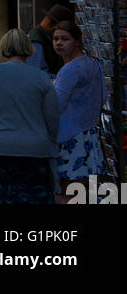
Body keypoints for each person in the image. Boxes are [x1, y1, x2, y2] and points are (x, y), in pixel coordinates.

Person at [0, 27, 60, 205]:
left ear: (3, 47)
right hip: (35, 151)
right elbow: (53, 120)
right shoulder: (42, 78)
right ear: (29, 48)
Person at [52, 19, 108, 195]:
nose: (59, 43)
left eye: (64, 38)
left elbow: (56, 105)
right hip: (89, 136)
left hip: (70, 138)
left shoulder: (70, 69)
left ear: (77, 41)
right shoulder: (94, 64)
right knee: (86, 190)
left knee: (66, 191)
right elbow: (103, 96)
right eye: (55, 39)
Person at [27, 3, 71, 76]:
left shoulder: (44, 36)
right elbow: (37, 72)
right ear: (54, 26)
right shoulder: (36, 41)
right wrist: (61, 79)